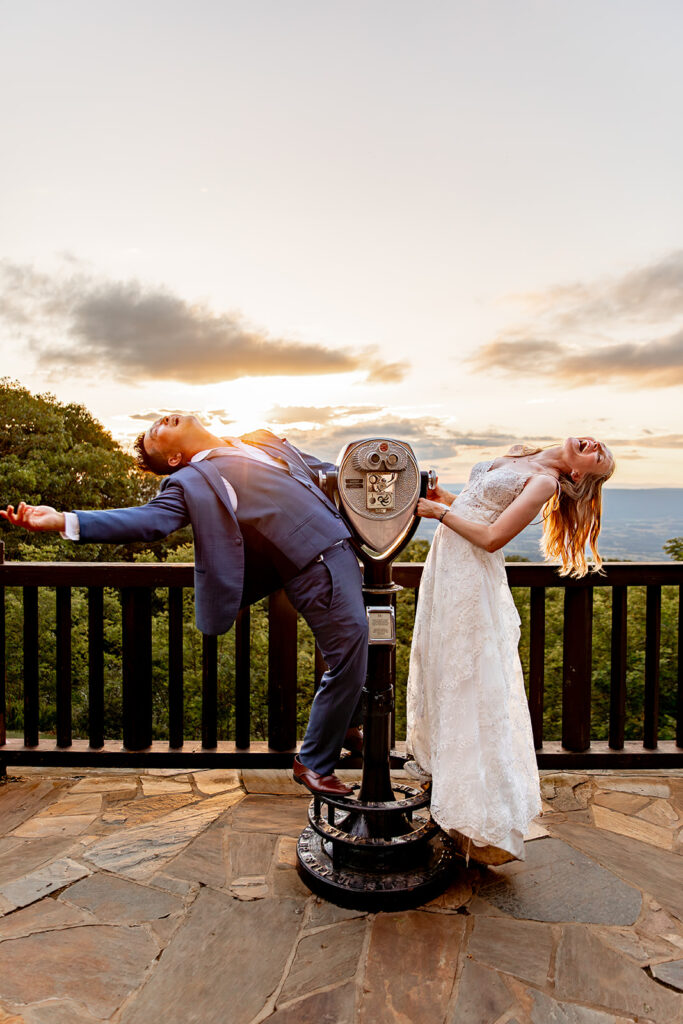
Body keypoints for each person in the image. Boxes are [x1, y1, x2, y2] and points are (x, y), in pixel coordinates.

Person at [1, 414, 368, 797]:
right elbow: (148, 520)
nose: (162, 421)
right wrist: (65, 520)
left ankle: (345, 723)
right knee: (349, 649)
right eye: (156, 433)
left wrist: (402, 486)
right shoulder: (192, 480)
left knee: (358, 648)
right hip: (313, 565)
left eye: (159, 421)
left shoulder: (258, 439)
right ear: (175, 458)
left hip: (343, 550)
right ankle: (313, 762)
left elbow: (328, 473)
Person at [405, 436, 615, 863]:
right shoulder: (524, 452)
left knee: (468, 679)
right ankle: (445, 783)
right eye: (600, 444)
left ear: (579, 474)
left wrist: (438, 512)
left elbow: (492, 537)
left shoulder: (544, 482)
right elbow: (474, 507)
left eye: (600, 456)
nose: (595, 444)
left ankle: (475, 809)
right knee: (441, 668)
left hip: (470, 574)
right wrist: (443, 498)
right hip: (445, 566)